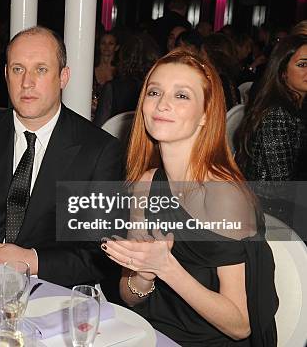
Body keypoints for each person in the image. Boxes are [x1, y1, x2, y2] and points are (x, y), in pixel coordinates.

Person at [102, 49, 278, 346]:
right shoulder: (146, 185)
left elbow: (240, 325)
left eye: (181, 96)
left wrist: (166, 268)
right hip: (152, 335)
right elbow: (129, 296)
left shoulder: (225, 197)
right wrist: (144, 275)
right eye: (154, 91)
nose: (162, 104)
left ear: (206, 115)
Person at [0, 26, 122, 288]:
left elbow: (100, 252)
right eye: (18, 69)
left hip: (55, 292)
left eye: (41, 69)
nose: (27, 82)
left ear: (63, 77)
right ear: (6, 75)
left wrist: (30, 260)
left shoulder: (99, 151)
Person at [236, 35, 307, 182]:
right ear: (283, 72)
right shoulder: (277, 115)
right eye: (302, 65)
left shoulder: (298, 105)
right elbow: (282, 185)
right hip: (268, 202)